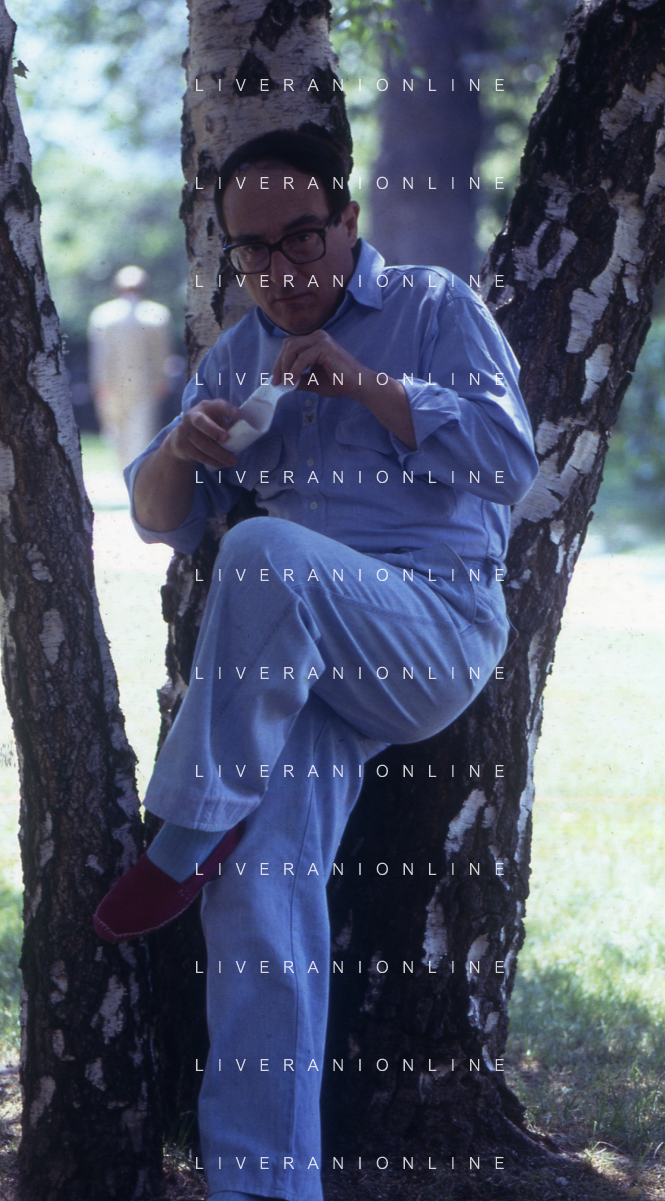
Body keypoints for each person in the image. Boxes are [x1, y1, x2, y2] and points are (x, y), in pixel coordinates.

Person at [93, 129, 538, 1201]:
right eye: (253, 251)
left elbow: (512, 462)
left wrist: (367, 382)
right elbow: (158, 520)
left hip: (430, 631)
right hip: (308, 671)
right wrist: (177, 450)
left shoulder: (432, 305)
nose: (281, 270)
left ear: (347, 223)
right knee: (256, 895)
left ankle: (184, 829)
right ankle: (262, 1186)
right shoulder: (235, 358)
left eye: (301, 237)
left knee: (261, 550)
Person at [87, 265, 172, 468]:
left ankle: (126, 474)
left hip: (115, 387)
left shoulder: (102, 315)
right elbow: (162, 354)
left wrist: (99, 384)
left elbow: (99, 357)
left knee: (117, 434)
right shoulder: (157, 314)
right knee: (139, 435)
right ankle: (134, 476)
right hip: (143, 386)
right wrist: (162, 380)